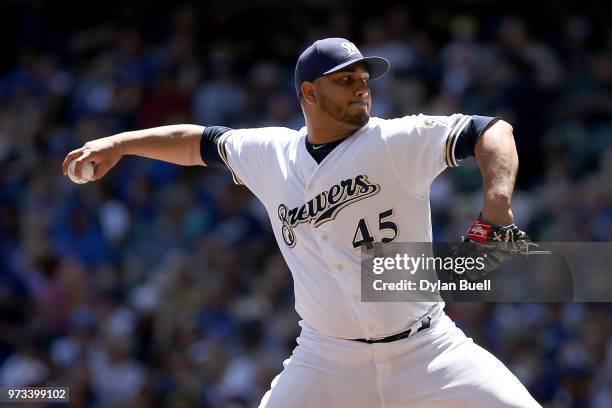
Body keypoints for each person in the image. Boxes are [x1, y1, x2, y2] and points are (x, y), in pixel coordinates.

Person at [63, 38, 541, 407]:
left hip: (428, 352)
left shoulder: (394, 142)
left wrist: (496, 206)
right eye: (344, 79)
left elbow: (491, 131)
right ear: (308, 93)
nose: (360, 87)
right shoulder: (271, 154)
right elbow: (197, 143)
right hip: (327, 360)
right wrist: (119, 144)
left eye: (363, 78)